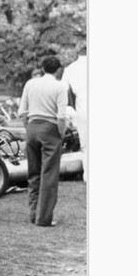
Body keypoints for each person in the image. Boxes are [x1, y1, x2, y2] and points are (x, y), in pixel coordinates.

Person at [18, 56, 69, 227]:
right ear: (58, 69)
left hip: (32, 127)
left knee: (33, 173)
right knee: (49, 175)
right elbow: (61, 116)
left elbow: (22, 111)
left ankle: (33, 213)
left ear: (42, 67)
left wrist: (28, 128)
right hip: (50, 129)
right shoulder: (59, 86)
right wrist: (60, 133)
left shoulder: (30, 84)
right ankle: (44, 218)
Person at [60, 54, 87, 182]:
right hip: (81, 104)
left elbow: (63, 89)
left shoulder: (70, 68)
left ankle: (87, 174)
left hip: (82, 106)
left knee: (86, 144)